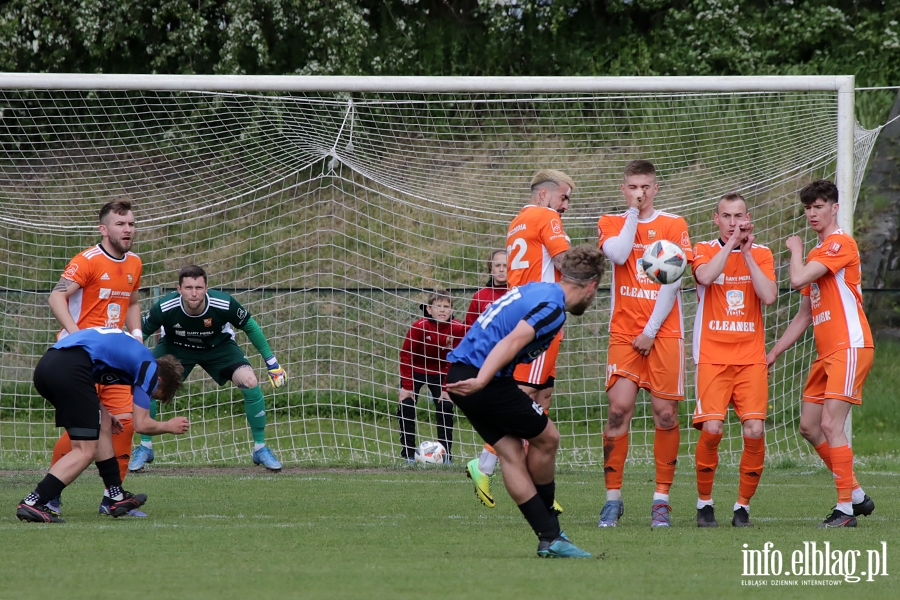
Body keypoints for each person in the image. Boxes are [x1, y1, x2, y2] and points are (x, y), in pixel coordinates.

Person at [446, 245, 604, 558]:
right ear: (592, 287)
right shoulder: (553, 307)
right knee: (548, 438)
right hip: (482, 378)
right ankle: (553, 532)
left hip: (463, 372)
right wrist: (482, 379)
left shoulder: (540, 289)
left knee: (511, 453)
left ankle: (549, 537)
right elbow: (514, 339)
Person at [766, 179, 876, 528]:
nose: (812, 213)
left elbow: (797, 279)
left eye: (818, 207)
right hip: (826, 352)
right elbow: (805, 315)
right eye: (808, 208)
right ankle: (856, 495)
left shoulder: (839, 244)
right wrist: (775, 352)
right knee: (810, 427)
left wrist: (795, 250)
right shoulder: (817, 255)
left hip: (850, 345)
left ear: (834, 208)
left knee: (831, 423)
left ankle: (845, 510)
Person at [466, 170, 572, 509]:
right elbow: (564, 261)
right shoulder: (546, 215)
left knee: (542, 394)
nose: (565, 206)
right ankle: (484, 465)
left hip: (527, 310)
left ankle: (536, 482)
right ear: (544, 195)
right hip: (539, 315)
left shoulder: (518, 221)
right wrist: (592, 264)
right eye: (564, 197)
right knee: (524, 393)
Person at [596, 159, 693, 528]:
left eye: (646, 187)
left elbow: (672, 283)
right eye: (633, 187)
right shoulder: (611, 222)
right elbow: (620, 255)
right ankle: (612, 499)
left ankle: (661, 500)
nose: (640, 193)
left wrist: (651, 331)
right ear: (624, 189)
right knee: (619, 409)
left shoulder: (674, 224)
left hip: (663, 334)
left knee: (665, 415)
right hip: (623, 332)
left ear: (656, 188)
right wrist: (633, 216)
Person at [16, 327, 189, 523]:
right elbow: (141, 424)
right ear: (159, 381)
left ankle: (115, 497)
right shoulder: (148, 367)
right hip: (71, 369)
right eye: (152, 395)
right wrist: (169, 426)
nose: (142, 395)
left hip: (49, 366)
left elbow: (86, 375)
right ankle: (33, 501)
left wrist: (103, 413)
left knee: (104, 422)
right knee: (85, 450)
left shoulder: (130, 357)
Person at [130, 265, 287, 472]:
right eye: (188, 288)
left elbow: (250, 326)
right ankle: (145, 447)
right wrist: (133, 364)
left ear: (206, 288)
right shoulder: (166, 307)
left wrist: (272, 363)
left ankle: (260, 448)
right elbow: (140, 333)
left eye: (198, 287)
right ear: (179, 289)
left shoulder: (223, 303)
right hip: (176, 348)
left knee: (250, 381)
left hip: (218, 347)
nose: (193, 293)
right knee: (148, 381)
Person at [46, 198, 146, 518]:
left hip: (113, 361)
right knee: (83, 434)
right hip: (78, 361)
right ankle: (50, 495)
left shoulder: (135, 263)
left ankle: (112, 498)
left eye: (130, 223)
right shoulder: (86, 260)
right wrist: (76, 335)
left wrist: (138, 336)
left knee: (125, 424)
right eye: (120, 224)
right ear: (104, 229)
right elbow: (56, 296)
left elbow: (131, 303)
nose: (127, 229)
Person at [691, 193, 777, 528]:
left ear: (748, 217)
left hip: (750, 359)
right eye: (726, 217)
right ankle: (704, 504)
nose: (732, 223)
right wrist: (730, 246)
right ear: (716, 219)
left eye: (738, 216)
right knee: (712, 430)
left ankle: (742, 507)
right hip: (712, 357)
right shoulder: (704, 249)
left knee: (754, 430)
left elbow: (769, 296)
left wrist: (746, 253)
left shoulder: (763, 254)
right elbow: (705, 277)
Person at [397, 289, 467, 463]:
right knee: (406, 405)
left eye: (446, 306)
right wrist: (407, 386)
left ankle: (446, 456)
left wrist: (446, 388)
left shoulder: (458, 328)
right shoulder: (419, 327)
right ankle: (409, 456)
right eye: (438, 306)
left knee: (445, 407)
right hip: (417, 369)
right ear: (429, 309)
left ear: (452, 310)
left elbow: (456, 358)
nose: (442, 310)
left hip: (443, 372)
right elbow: (406, 355)